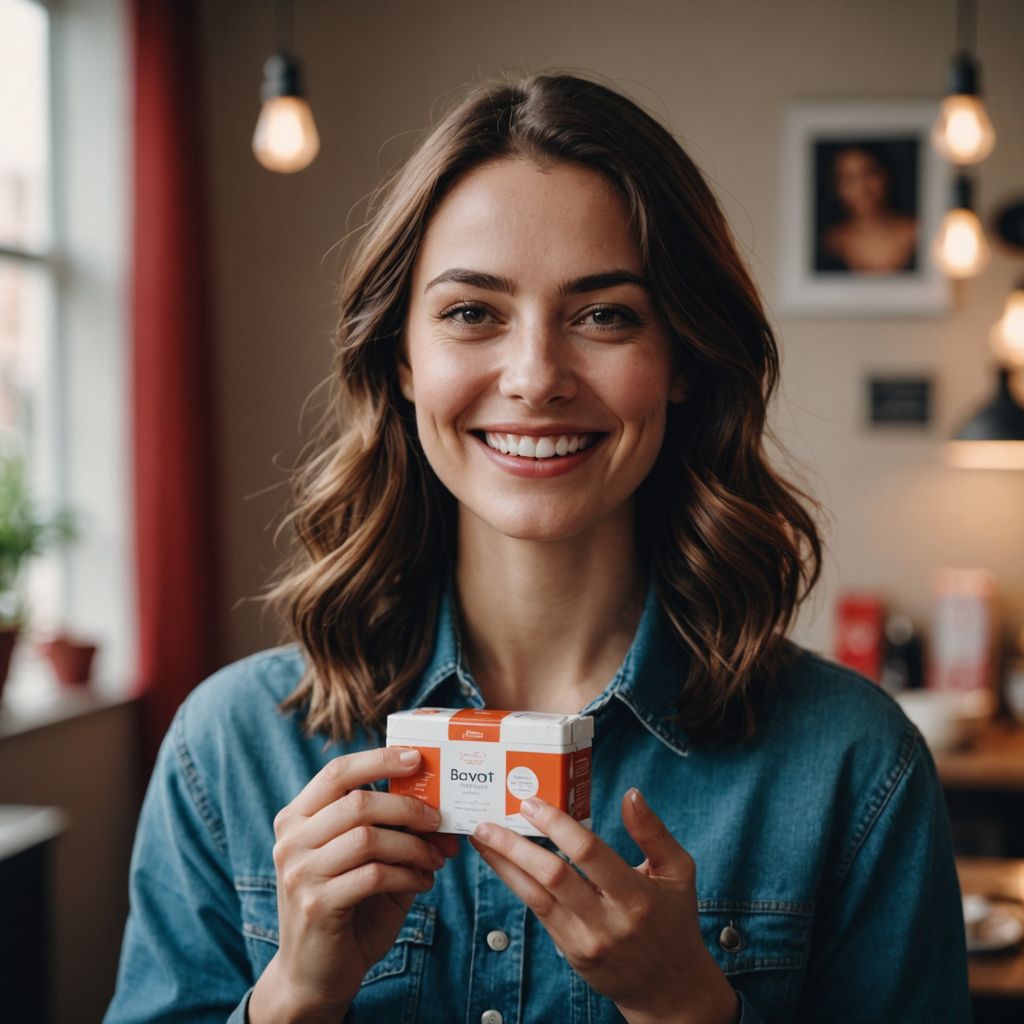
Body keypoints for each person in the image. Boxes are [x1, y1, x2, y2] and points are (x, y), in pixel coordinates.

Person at [105, 72, 970, 1023]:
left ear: (681, 360)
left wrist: (690, 1010)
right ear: (401, 358)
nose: (535, 378)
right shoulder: (229, 747)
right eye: (473, 312)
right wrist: (294, 999)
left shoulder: (852, 761)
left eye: (605, 315)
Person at [817, 144, 918, 274]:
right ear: (836, 188)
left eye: (869, 173)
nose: (861, 188)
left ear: (886, 175)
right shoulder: (830, 243)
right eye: (848, 179)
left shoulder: (916, 233)